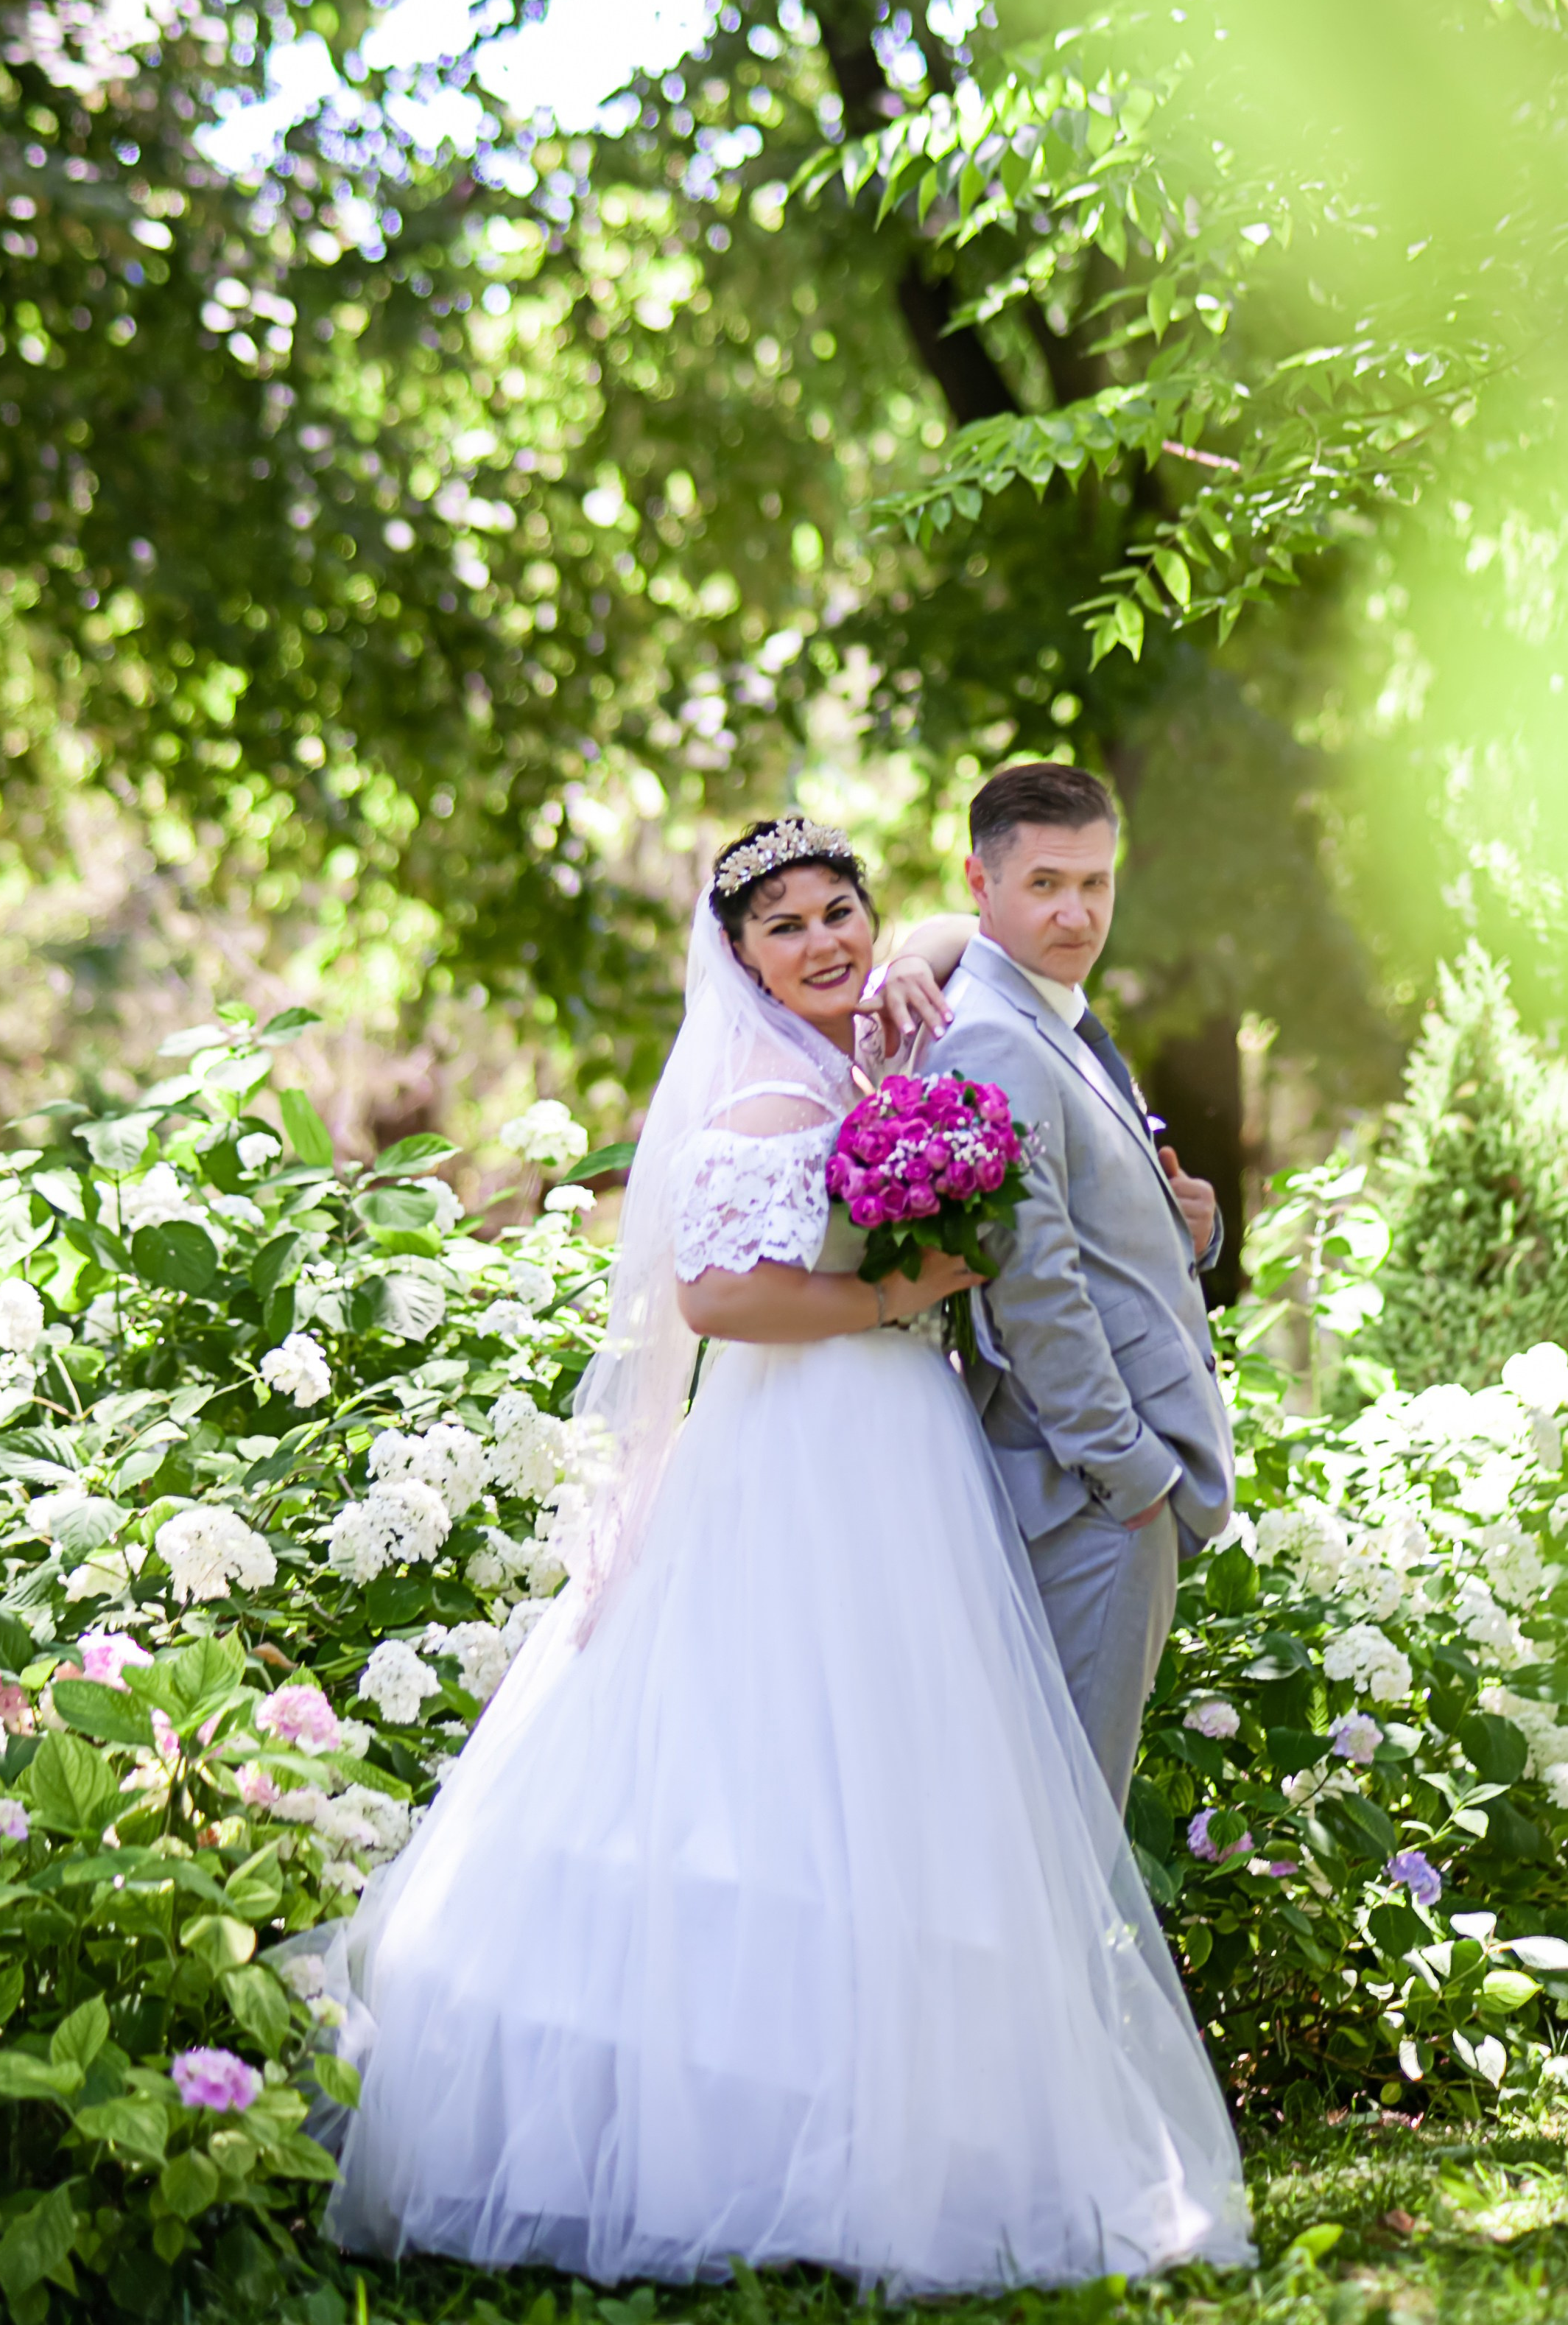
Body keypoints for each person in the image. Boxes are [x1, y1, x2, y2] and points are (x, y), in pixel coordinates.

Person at [309, 814, 1251, 2293]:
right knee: (769, 1765)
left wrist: (921, 954)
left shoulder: (864, 1055)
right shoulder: (758, 1090)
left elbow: (959, 937)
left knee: (898, 1775)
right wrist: (897, 1296)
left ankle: (900, 2118)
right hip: (800, 1443)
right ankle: (738, 2137)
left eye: (839, 913)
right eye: (785, 927)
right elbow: (716, 1295)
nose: (823, 943)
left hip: (904, 1440)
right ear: (740, 958)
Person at [882, 764, 1234, 1814]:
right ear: (979, 884)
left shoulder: (1051, 1015)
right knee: (1069, 1834)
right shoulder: (995, 1034)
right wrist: (1133, 1477)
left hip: (1100, 1495)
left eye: (1095, 883)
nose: (1077, 913)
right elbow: (1034, 1285)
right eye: (1044, 884)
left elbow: (1097, 1229)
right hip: (1090, 1500)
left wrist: (1187, 1224)